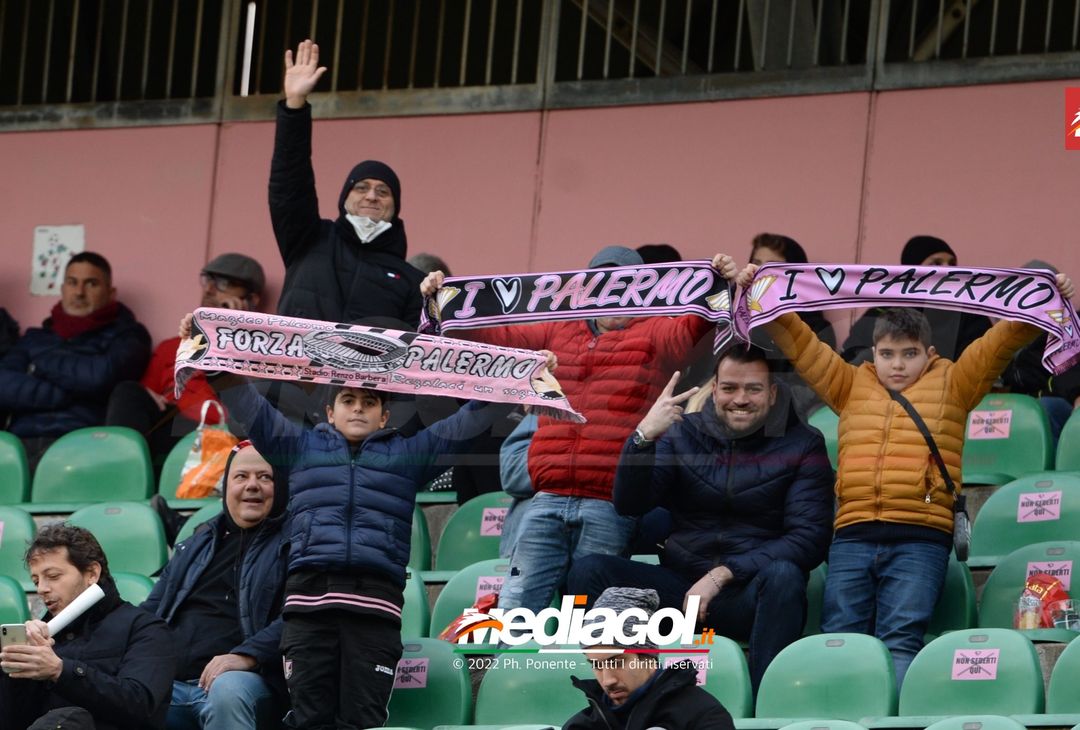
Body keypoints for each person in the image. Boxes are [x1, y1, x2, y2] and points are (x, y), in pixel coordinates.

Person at [183, 315, 551, 729]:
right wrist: (210, 357)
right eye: (348, 400)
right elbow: (250, 407)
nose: (358, 408)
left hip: (374, 613)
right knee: (309, 720)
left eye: (369, 402)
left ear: (383, 417)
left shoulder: (408, 457)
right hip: (308, 612)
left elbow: (465, 422)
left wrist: (522, 374)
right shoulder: (299, 448)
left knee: (362, 721)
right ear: (330, 410)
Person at [730, 261, 1075, 687]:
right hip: (853, 536)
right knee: (840, 636)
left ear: (929, 353)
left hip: (920, 537)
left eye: (909, 354)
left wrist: (1041, 298)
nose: (897, 365)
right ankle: (842, 717)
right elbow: (802, 344)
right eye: (888, 354)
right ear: (873, 353)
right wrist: (762, 296)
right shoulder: (850, 384)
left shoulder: (955, 382)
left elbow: (997, 344)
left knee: (900, 639)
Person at [420, 248, 731, 615]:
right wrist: (443, 302)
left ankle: (584, 675)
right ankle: (512, 672)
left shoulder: (656, 331)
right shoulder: (557, 328)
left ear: (645, 289)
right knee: (516, 611)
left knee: (590, 614)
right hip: (546, 498)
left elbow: (692, 330)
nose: (610, 292)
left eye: (624, 283)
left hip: (608, 504)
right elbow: (495, 335)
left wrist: (717, 283)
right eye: (600, 282)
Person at [568, 346, 834, 693]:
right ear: (715, 389)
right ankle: (617, 692)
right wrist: (643, 438)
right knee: (589, 571)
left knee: (785, 575)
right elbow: (630, 504)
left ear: (771, 394)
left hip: (749, 593)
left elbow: (809, 538)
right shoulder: (684, 432)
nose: (740, 399)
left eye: (753, 389)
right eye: (729, 388)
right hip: (680, 591)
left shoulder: (803, 443)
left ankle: (762, 699)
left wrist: (723, 574)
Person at [270, 39, 422, 328]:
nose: (372, 196)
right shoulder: (309, 238)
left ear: (395, 205)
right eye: (361, 187)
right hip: (293, 374)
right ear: (345, 197)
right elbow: (289, 183)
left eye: (383, 191)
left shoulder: (411, 281)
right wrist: (294, 107)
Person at [141, 441, 289, 730]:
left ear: (281, 487)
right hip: (173, 683)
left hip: (248, 683)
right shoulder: (196, 543)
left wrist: (247, 655)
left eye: (265, 477)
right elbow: (149, 612)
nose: (252, 485)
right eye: (241, 476)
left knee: (227, 690)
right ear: (227, 486)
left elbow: (302, 614)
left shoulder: (295, 543)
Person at [0, 523, 175, 730]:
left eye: (53, 576)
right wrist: (14, 672)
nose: (42, 589)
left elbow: (141, 704)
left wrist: (60, 670)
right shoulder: (40, 639)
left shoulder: (146, 628)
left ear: (92, 573)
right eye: (36, 580)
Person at [107, 254, 266, 474]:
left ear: (252, 299)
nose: (209, 290)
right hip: (171, 431)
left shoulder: (261, 351)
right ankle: (118, 476)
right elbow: (143, 398)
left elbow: (251, 409)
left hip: (221, 436)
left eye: (223, 284)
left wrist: (233, 330)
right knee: (127, 391)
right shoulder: (172, 346)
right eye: (208, 281)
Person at [0, 252, 151, 469]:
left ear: (110, 293)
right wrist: (64, 392)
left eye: (91, 284)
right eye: (72, 283)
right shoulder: (36, 337)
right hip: (18, 445)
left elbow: (98, 377)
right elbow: (3, 385)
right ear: (63, 289)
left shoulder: (129, 335)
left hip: (84, 446)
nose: (79, 292)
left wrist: (39, 361)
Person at [563, 587, 735, 730]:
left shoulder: (702, 716)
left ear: (648, 656)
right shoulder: (581, 725)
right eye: (597, 665)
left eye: (617, 662)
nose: (608, 680)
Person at [841, 236, 992, 364]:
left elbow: (981, 359)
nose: (948, 269)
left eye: (952, 263)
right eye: (936, 263)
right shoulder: (886, 309)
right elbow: (852, 354)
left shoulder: (968, 312)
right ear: (913, 272)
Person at [1000, 259, 1080, 446]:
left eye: (1044, 293)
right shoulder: (1005, 335)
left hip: (1058, 406)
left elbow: (1070, 367)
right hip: (1015, 413)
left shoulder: (1071, 326)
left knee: (1044, 409)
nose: (1036, 300)